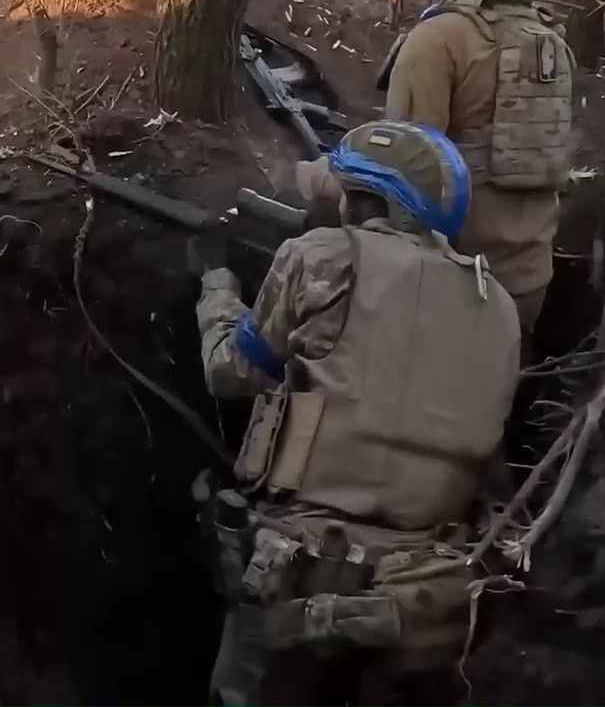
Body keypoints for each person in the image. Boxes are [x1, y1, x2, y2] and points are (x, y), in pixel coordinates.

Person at [196, 119, 522, 707]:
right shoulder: (497, 304)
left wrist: (217, 285)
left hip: (298, 574)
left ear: (364, 198)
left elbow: (229, 372)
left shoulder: (323, 255)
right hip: (421, 602)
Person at [377, 0, 576, 350]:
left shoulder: (438, 40)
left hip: (453, 286)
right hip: (529, 284)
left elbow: (403, 183)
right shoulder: (551, 42)